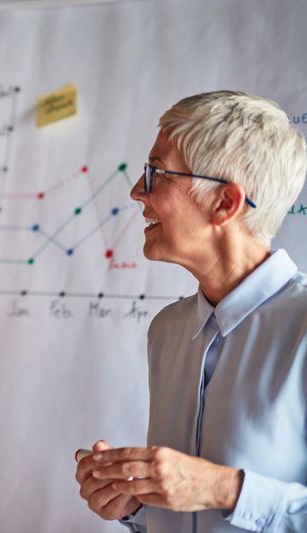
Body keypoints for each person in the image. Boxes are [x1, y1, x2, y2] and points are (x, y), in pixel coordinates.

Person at [75, 91, 307, 532]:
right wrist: (134, 505)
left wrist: (226, 490)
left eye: (155, 173)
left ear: (224, 203)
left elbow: (213, 496)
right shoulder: (168, 330)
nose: (136, 191)